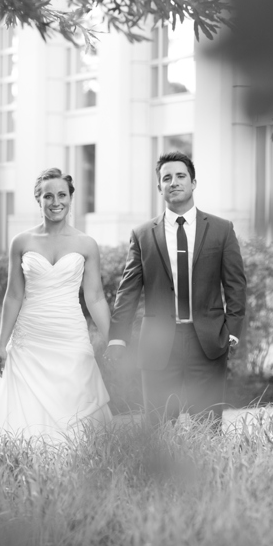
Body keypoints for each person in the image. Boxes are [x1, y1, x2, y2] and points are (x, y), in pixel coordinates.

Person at [104, 152, 247, 427]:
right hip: (158, 346)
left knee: (207, 428)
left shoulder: (221, 229)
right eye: (166, 178)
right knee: (157, 430)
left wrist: (233, 332)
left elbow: (235, 285)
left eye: (181, 176)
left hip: (208, 343)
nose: (174, 182)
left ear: (193, 182)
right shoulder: (143, 234)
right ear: (159, 188)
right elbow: (129, 289)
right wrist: (118, 338)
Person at [0, 168, 112, 441]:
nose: (55, 202)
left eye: (62, 195)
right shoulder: (22, 242)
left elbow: (94, 296)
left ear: (70, 198)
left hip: (70, 336)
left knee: (76, 404)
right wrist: (1, 345)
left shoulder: (86, 243)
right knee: (24, 411)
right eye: (48, 196)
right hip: (29, 339)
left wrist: (113, 340)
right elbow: (13, 295)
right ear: (38, 200)